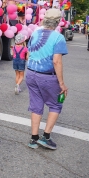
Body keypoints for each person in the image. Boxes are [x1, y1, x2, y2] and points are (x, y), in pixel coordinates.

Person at [26, 9, 68, 150]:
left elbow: (29, 52)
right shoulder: (58, 37)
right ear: (58, 22)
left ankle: (33, 138)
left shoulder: (35, 32)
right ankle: (46, 137)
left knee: (36, 105)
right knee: (56, 104)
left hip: (31, 73)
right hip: (47, 76)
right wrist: (61, 83)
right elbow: (57, 61)